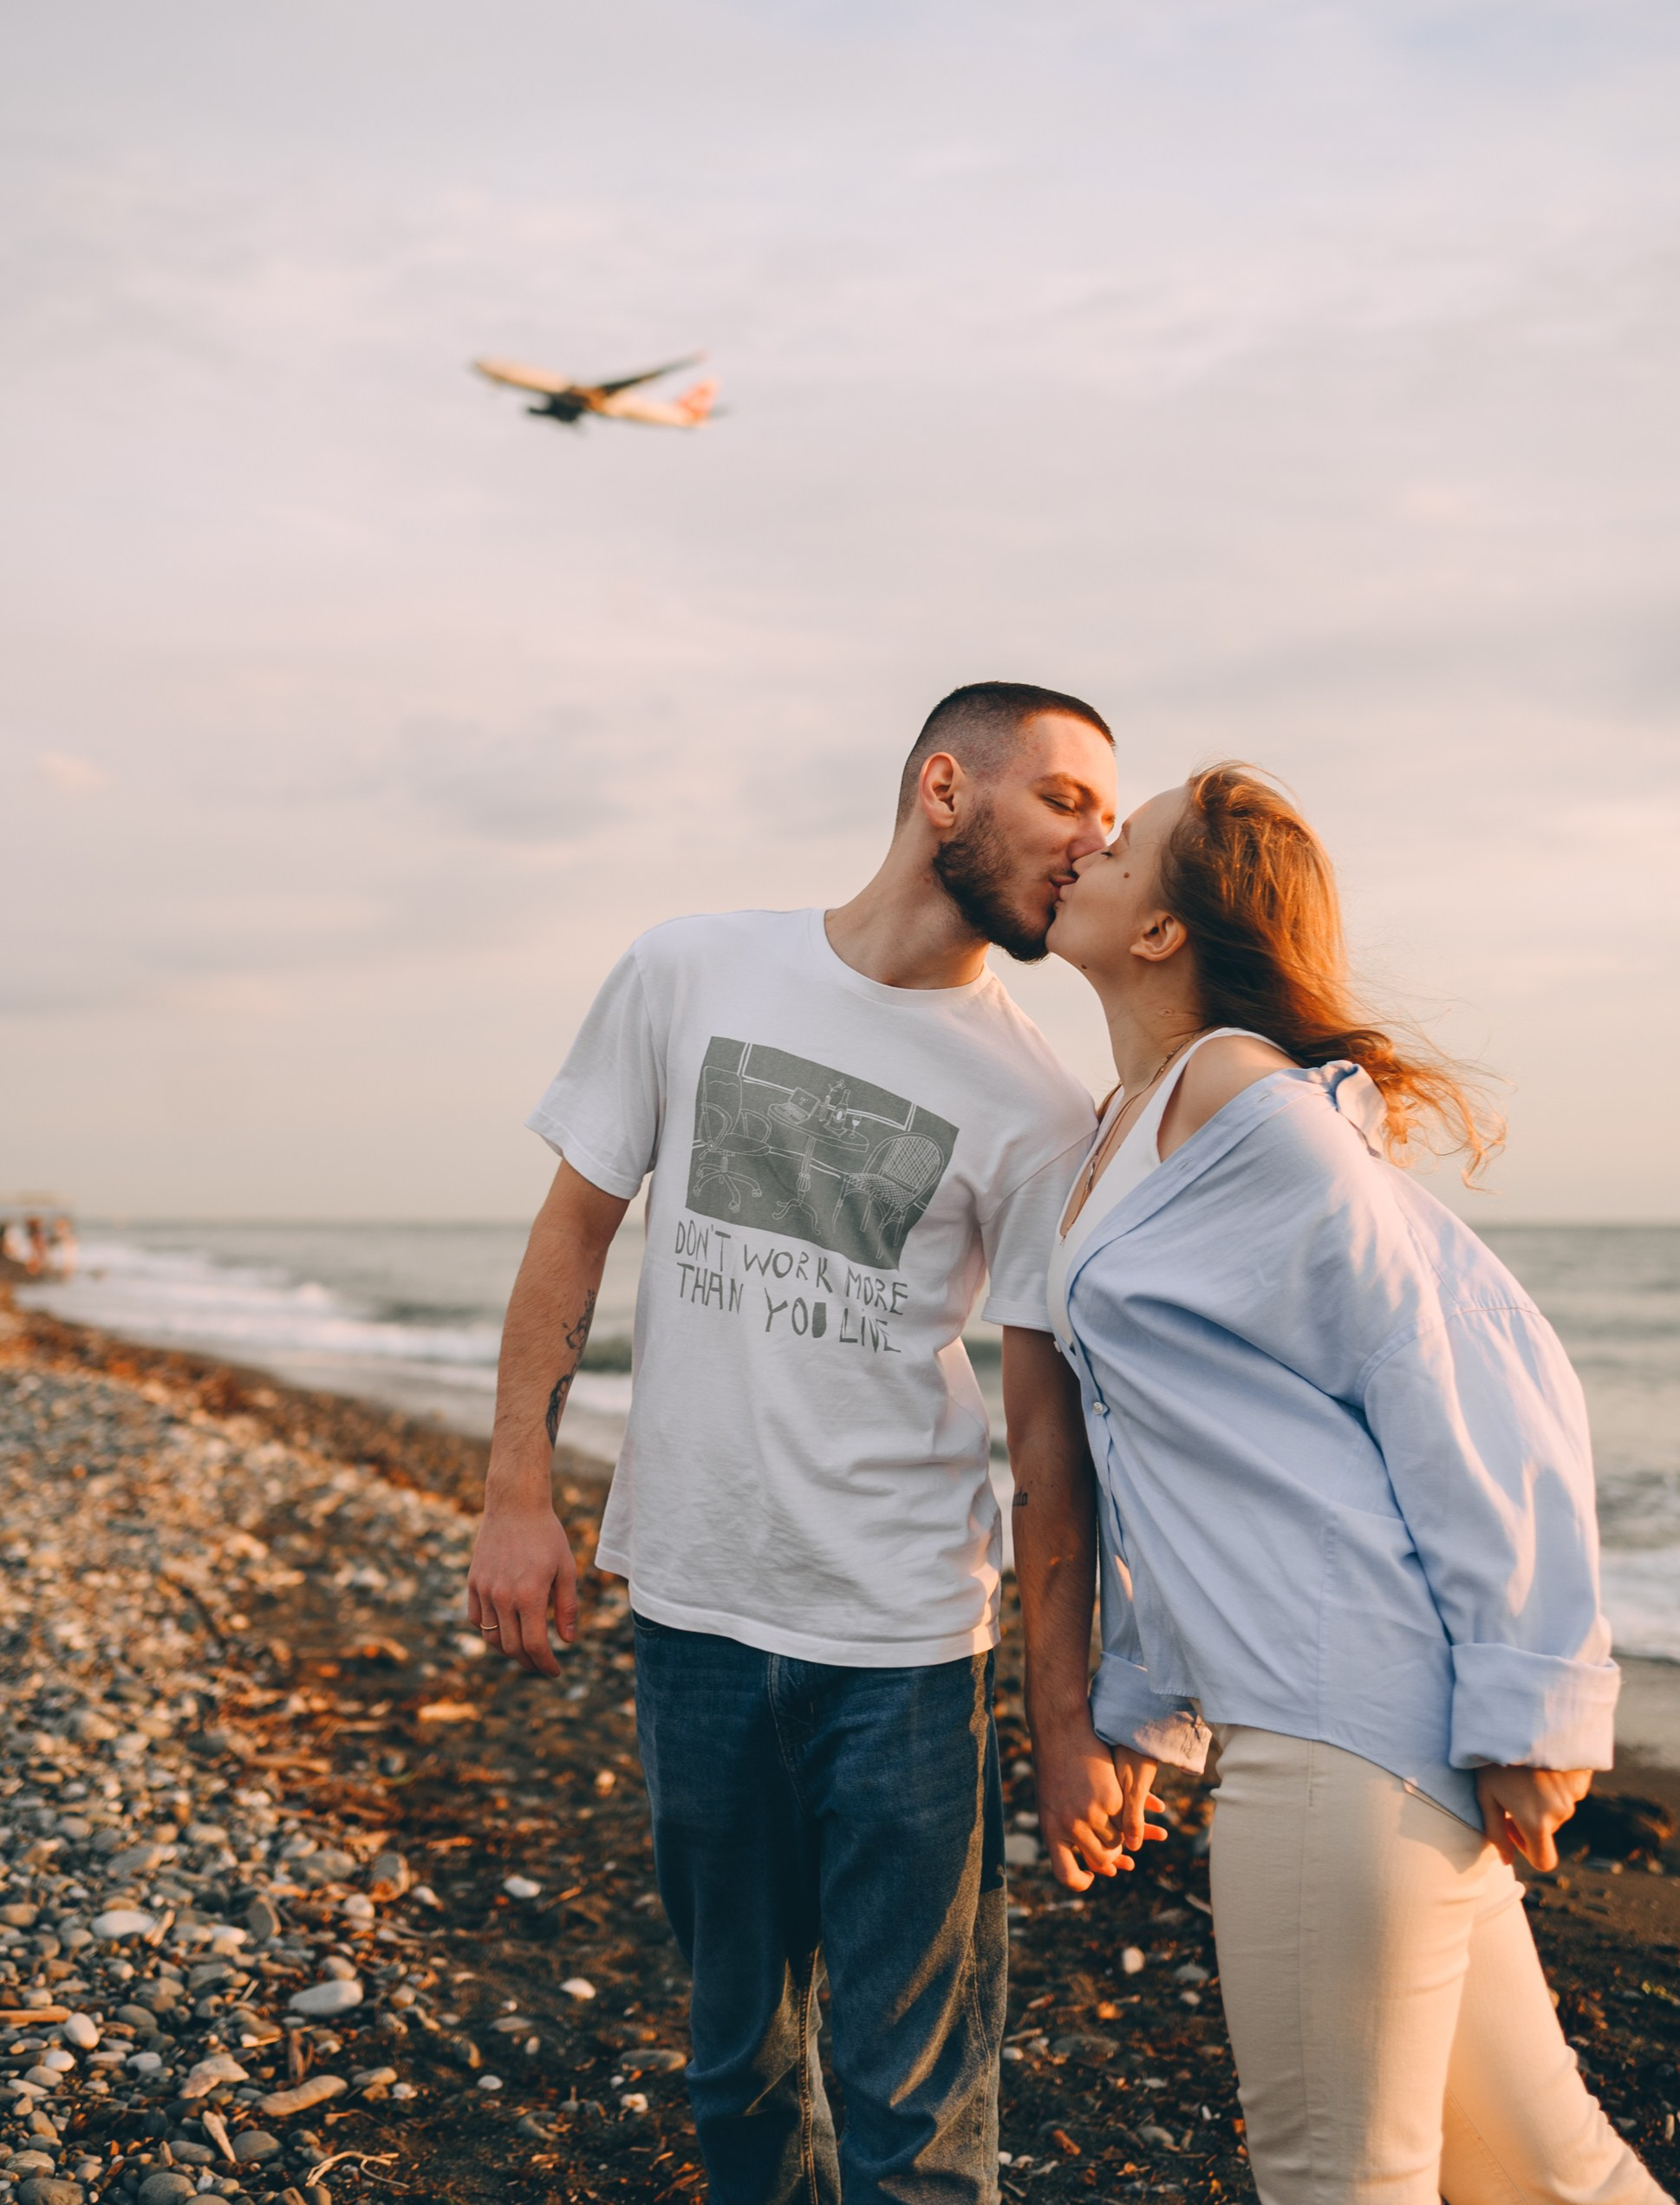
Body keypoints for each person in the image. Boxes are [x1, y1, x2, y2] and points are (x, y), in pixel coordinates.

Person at [468, 682, 1129, 2205]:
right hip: (693, 1610)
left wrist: (1063, 1723)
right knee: (733, 2063)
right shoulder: (690, 968)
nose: (1093, 845)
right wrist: (516, 1498)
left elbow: (1044, 1449)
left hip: (902, 1643)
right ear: (943, 790)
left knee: (913, 2120)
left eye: (1109, 818)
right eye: (1067, 803)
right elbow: (570, 1245)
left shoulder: (1038, 1103)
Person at [1032, 763, 1670, 2205]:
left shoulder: (1237, 1099)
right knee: (1543, 2170)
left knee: (1344, 2181)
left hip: (1340, 1734)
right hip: (1331, 1726)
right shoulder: (1130, 1123)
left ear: (1161, 932)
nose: (1084, 847)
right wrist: (1143, 1707)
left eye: (1119, 843)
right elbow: (1168, 1462)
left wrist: (1531, 1701)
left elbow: (1471, 1368)